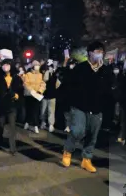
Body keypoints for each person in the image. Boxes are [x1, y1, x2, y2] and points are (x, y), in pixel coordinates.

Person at [61, 41, 112, 173]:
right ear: (90, 53)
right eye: (97, 51)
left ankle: (86, 159)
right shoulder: (81, 68)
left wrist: (101, 71)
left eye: (101, 52)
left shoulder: (105, 70)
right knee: (77, 130)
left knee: (92, 135)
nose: (99, 54)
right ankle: (67, 151)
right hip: (80, 106)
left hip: (97, 107)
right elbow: (71, 85)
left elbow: (107, 88)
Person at [0, 58, 21, 154]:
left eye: (7, 65)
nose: (5, 67)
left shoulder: (16, 78)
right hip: (2, 105)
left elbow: (20, 90)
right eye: (3, 65)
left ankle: (12, 148)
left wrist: (17, 95)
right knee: (0, 125)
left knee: (12, 127)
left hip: (12, 105)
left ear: (11, 66)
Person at [23, 60, 46, 134]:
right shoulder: (28, 74)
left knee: (36, 111)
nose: (37, 66)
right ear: (33, 66)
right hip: (29, 95)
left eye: (38, 65)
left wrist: (40, 91)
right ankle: (27, 122)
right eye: (36, 65)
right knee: (29, 110)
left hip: (37, 95)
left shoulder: (40, 75)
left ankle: (35, 125)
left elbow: (43, 84)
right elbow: (26, 84)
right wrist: (32, 91)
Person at [41, 62, 60, 133]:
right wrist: (47, 72)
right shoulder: (45, 75)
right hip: (45, 96)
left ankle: (51, 125)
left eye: (51, 68)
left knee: (51, 111)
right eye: (49, 68)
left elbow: (58, 84)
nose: (50, 69)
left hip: (52, 96)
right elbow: (45, 80)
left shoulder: (55, 76)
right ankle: (43, 122)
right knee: (43, 111)